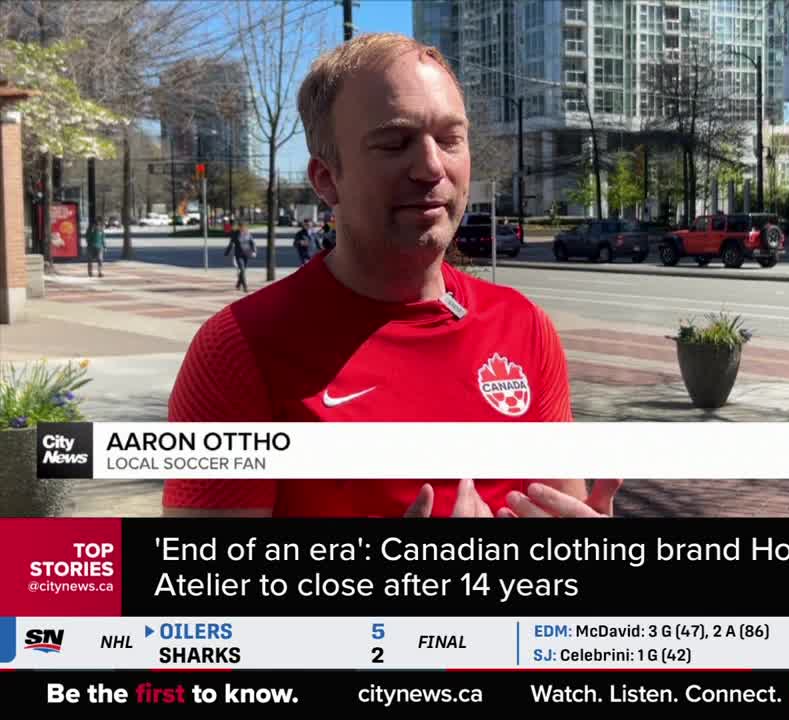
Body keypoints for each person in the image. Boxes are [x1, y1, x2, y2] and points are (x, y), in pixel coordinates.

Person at [162, 33, 619, 519]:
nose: (430, 167)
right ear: (325, 179)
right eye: (394, 142)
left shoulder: (525, 328)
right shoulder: (237, 351)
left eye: (448, 139)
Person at [225, 221, 256, 292]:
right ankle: (245, 287)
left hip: (246, 254)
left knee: (243, 270)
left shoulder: (248, 234)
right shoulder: (235, 234)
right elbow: (231, 244)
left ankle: (238, 284)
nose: (242, 228)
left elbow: (252, 242)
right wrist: (227, 252)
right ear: (239, 227)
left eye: (244, 227)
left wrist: (254, 251)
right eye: (241, 227)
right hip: (238, 255)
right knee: (242, 270)